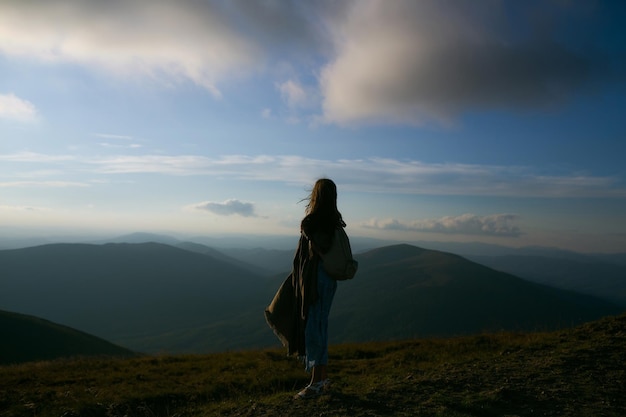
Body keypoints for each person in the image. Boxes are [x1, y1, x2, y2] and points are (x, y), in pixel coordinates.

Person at [265, 178, 352, 399]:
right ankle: (320, 379)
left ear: (316, 195)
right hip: (327, 281)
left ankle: (316, 382)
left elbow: (316, 249)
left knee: (314, 328)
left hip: (315, 280)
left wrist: (308, 232)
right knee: (319, 326)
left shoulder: (313, 223)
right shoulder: (334, 221)